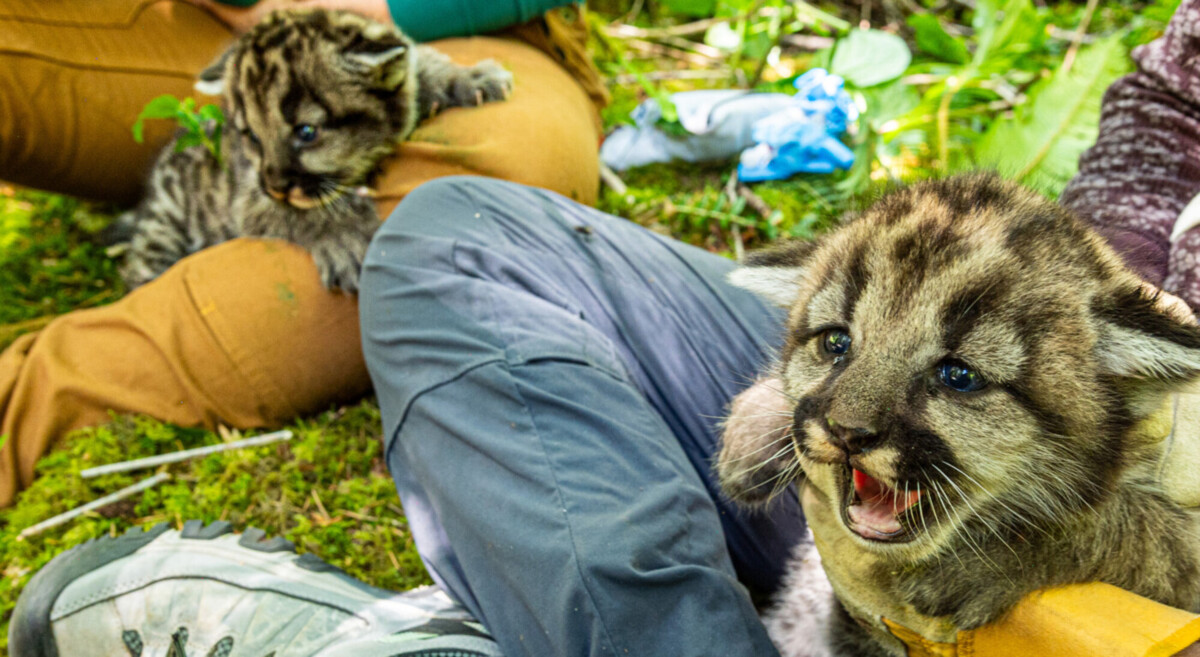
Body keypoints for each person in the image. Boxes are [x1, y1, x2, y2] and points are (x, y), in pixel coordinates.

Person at [7, 3, 1200, 657]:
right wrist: (1070, 306)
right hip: (1071, 370)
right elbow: (1170, 100)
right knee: (455, 240)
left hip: (1127, 504)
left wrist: (1102, 504)